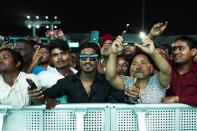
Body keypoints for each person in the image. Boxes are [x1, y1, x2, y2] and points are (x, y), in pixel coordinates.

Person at [33, 42, 126, 109]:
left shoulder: (106, 83)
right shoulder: (67, 82)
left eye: (93, 57)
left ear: (98, 60)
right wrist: (49, 100)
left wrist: (131, 96)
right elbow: (44, 97)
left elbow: (123, 98)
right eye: (83, 57)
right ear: (79, 60)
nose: (88, 61)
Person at [106, 36, 172, 103]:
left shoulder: (158, 81)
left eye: (143, 63)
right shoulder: (128, 82)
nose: (138, 67)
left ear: (151, 68)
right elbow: (110, 77)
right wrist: (113, 53)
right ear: (130, 69)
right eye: (134, 64)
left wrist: (152, 52)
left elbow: (167, 71)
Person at [162, 36, 197, 106]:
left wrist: (177, 99)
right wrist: (152, 35)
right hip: (166, 114)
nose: (176, 52)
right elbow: (143, 57)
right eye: (174, 49)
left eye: (181, 48)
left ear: (193, 52)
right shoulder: (167, 65)